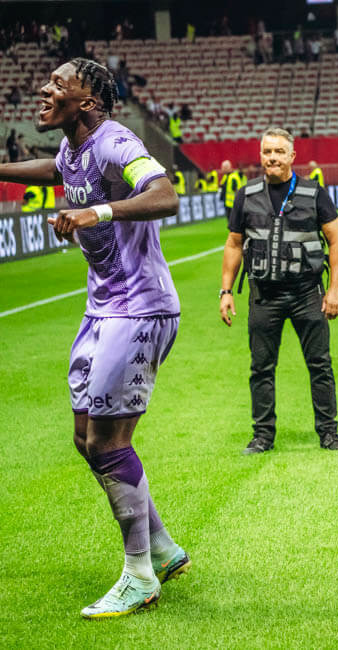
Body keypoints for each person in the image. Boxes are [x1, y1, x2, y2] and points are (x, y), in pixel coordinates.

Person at [0, 57, 190, 618]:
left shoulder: (115, 141)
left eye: (58, 83)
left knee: (109, 443)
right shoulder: (74, 148)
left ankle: (139, 576)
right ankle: (162, 549)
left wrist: (95, 213)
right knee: (86, 440)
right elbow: (53, 169)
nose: (44, 88)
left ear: (86, 101)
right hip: (103, 311)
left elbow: (165, 195)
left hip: (140, 310)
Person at [219, 127, 338, 454]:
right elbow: (234, 244)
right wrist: (226, 291)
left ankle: (329, 433)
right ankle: (262, 436)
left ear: (292, 156)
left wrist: (334, 290)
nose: (272, 158)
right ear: (260, 156)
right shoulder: (246, 195)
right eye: (267, 152)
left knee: (320, 365)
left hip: (307, 293)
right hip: (264, 295)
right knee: (261, 368)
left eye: (279, 152)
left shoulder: (314, 193)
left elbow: (336, 242)